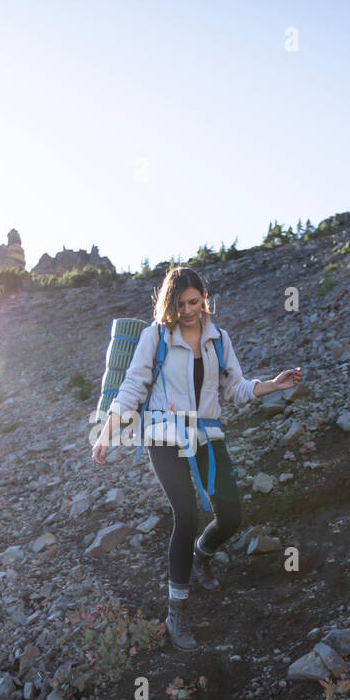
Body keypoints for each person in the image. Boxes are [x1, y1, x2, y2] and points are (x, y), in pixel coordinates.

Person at [92, 266, 302, 651]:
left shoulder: (219, 338)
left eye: (195, 301)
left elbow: (235, 387)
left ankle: (202, 554)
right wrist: (106, 434)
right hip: (163, 434)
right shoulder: (155, 336)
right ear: (169, 303)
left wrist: (273, 384)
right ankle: (177, 613)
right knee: (186, 515)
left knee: (232, 515)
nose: (189, 310)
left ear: (205, 298)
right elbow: (133, 387)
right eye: (181, 303)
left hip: (206, 433)